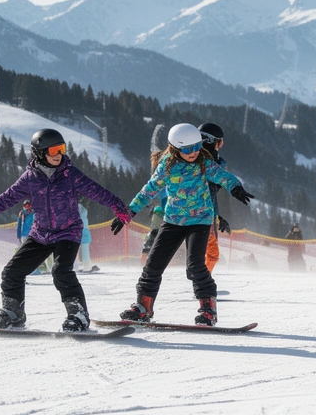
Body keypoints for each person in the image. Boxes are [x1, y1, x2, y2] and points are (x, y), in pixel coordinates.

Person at [0, 129, 132, 331]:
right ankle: (13, 313)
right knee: (12, 272)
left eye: (61, 149)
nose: (58, 155)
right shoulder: (30, 178)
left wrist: (118, 206)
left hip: (68, 232)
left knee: (61, 272)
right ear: (39, 153)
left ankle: (78, 315)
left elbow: (95, 190)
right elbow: (7, 198)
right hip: (41, 233)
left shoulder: (69, 174)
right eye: (53, 150)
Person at [118, 123, 254, 326]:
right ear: (174, 148)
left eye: (197, 147)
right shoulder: (166, 166)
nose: (193, 153)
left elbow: (223, 176)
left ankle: (208, 309)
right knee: (153, 265)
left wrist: (236, 188)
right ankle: (143, 308)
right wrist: (128, 213)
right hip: (173, 221)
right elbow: (149, 190)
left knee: (196, 265)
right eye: (187, 149)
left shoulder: (204, 163)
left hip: (200, 221)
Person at [199, 122, 230, 273]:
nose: (221, 145)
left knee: (209, 254)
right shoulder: (206, 165)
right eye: (220, 141)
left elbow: (208, 195)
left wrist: (218, 218)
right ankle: (202, 283)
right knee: (211, 254)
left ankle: (203, 281)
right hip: (202, 218)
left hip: (207, 216)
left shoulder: (211, 163)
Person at [75, 200, 97, 272]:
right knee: (83, 249)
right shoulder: (80, 207)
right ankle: (86, 267)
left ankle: (76, 266)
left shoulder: (78, 206)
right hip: (81, 229)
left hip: (79, 229)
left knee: (75, 249)